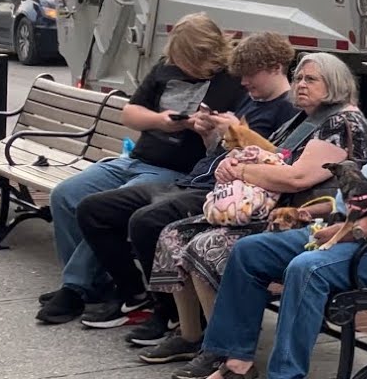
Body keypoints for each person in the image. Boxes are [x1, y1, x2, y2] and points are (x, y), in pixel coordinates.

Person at [200, 35, 367, 379]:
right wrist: (319, 213)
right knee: (250, 251)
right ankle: (236, 364)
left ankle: (286, 375)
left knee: (307, 268)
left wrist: (353, 231)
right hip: (359, 233)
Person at [138, 52, 367, 377]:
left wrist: (243, 172)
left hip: (305, 217)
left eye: (311, 79)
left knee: (205, 246)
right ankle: (192, 336)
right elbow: (273, 156)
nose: (301, 84)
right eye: (299, 78)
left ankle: (221, 352)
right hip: (270, 208)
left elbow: (297, 177)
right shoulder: (305, 117)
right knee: (173, 234)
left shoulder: (342, 122)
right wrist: (231, 161)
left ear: (335, 84)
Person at [72, 31, 302, 342]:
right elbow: (218, 152)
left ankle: (167, 314)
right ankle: (134, 294)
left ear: (275, 67)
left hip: (223, 194)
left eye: (250, 75)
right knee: (94, 208)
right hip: (193, 180)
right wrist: (212, 133)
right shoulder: (251, 100)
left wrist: (238, 132)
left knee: (147, 221)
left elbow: (278, 161)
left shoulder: (287, 111)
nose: (244, 83)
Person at [37, 13, 246, 325]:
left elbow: (230, 147)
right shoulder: (165, 69)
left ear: (205, 55)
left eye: (185, 60)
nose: (179, 66)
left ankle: (75, 289)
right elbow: (130, 114)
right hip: (135, 159)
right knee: (65, 194)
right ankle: (96, 285)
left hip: (173, 172)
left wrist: (203, 130)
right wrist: (162, 121)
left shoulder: (229, 82)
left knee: (109, 205)